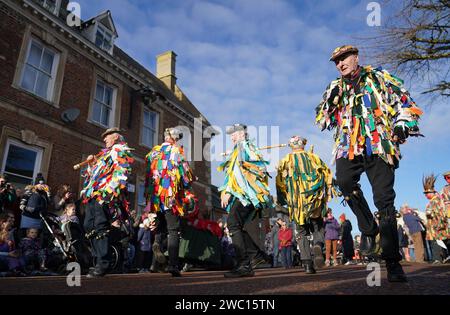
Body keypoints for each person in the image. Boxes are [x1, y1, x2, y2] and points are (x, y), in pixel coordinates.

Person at [315, 45, 423, 282]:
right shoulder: (335, 87)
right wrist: (327, 106)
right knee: (344, 182)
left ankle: (393, 262)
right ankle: (368, 228)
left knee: (384, 201)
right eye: (336, 61)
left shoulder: (379, 78)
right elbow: (323, 118)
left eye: (344, 58)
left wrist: (402, 124)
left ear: (356, 57)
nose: (340, 63)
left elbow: (406, 104)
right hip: (348, 147)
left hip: (378, 146)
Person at [218, 124, 272, 278]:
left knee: (233, 224)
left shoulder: (243, 148)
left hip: (246, 194)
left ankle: (244, 264)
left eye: (233, 134)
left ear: (241, 134)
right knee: (237, 225)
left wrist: (228, 190)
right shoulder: (241, 149)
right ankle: (256, 257)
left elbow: (239, 174)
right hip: (243, 194)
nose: (231, 137)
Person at [276, 136, 336, 274]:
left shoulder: (285, 161)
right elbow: (326, 174)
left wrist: (283, 200)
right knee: (318, 228)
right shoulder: (313, 158)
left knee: (301, 233)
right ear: (303, 145)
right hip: (313, 202)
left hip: (296, 205)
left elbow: (280, 183)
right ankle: (317, 245)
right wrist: (325, 195)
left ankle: (308, 264)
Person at [81, 127, 134, 278]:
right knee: (88, 226)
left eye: (107, 136)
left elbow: (122, 172)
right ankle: (99, 260)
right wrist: (91, 165)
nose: (104, 139)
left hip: (104, 195)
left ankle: (103, 263)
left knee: (100, 225)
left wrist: (109, 192)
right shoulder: (105, 155)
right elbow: (94, 177)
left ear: (115, 137)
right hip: (93, 194)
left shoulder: (119, 150)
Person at [144, 127, 193, 277]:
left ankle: (154, 264)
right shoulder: (177, 151)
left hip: (156, 198)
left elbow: (148, 175)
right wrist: (188, 184)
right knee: (173, 230)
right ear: (174, 138)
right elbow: (185, 176)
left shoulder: (153, 152)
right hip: (171, 198)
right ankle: (173, 265)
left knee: (160, 229)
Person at [423, 174, 449, 264]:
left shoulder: (436, 200)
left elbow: (440, 212)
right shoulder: (432, 200)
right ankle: (441, 257)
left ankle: (439, 259)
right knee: (439, 241)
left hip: (437, 224)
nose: (426, 195)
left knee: (441, 241)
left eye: (427, 193)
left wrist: (431, 214)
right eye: (425, 194)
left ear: (432, 192)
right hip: (433, 225)